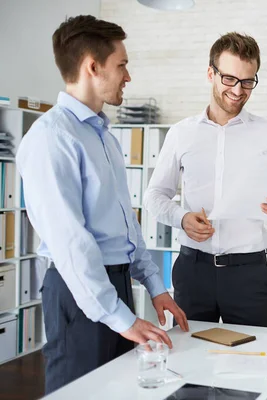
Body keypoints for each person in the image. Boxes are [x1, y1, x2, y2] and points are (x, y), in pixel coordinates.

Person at [16, 16, 188, 394]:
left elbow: (126, 226)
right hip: (80, 292)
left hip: (115, 284)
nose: (128, 76)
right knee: (80, 393)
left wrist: (155, 285)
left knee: (116, 392)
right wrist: (119, 317)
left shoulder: (105, 137)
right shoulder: (51, 138)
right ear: (92, 67)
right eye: (122, 65)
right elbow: (70, 242)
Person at [144, 32, 267, 328]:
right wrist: (182, 218)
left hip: (248, 274)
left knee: (249, 362)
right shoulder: (182, 133)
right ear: (210, 74)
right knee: (190, 363)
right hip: (193, 270)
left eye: (248, 81)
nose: (238, 90)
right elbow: (154, 196)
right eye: (229, 79)